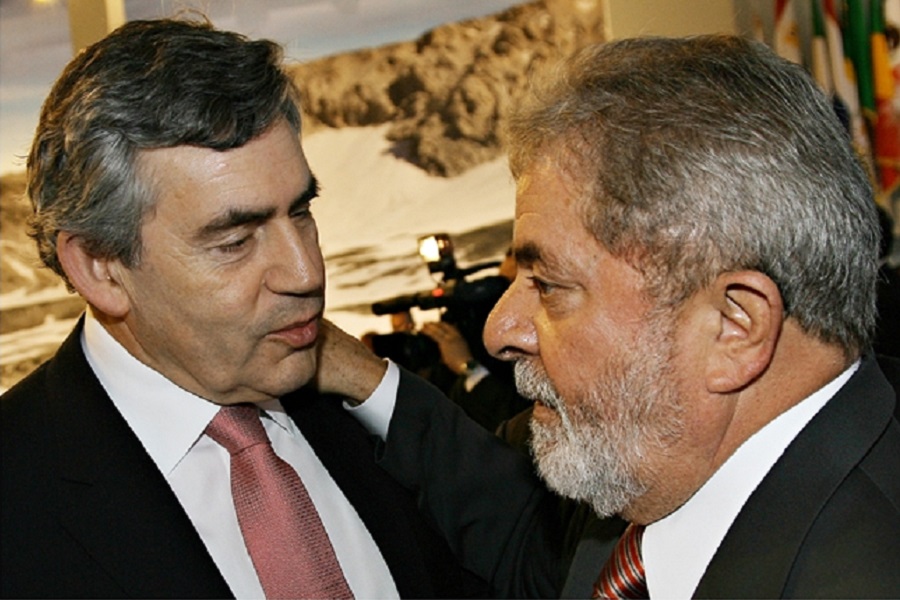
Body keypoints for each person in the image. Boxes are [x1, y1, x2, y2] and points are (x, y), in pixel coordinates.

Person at [335, 35, 900, 598]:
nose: (499, 330)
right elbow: (515, 532)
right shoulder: (652, 462)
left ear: (734, 327)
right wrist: (361, 375)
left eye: (549, 285)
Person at [0, 18, 485, 599]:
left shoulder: (367, 411)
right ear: (100, 265)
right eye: (234, 241)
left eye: (301, 213)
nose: (306, 273)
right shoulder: (17, 498)